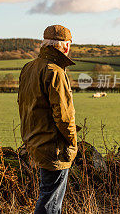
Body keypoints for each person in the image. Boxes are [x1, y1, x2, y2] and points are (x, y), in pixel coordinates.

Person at [18, 25, 79, 214]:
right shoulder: (55, 71)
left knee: (48, 197)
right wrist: (72, 142)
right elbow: (64, 115)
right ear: (66, 46)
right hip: (53, 145)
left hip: (35, 139)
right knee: (50, 203)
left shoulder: (29, 67)